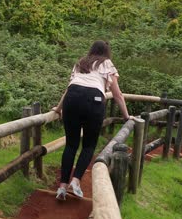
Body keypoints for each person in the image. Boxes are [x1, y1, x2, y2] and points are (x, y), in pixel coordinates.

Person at [51, 40, 132, 200]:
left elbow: (69, 89)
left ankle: (62, 187)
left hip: (72, 99)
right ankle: (75, 181)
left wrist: (58, 109)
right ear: (106, 52)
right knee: (88, 145)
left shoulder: (81, 62)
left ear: (91, 50)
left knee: (71, 144)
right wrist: (126, 116)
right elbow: (117, 94)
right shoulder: (107, 64)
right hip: (93, 100)